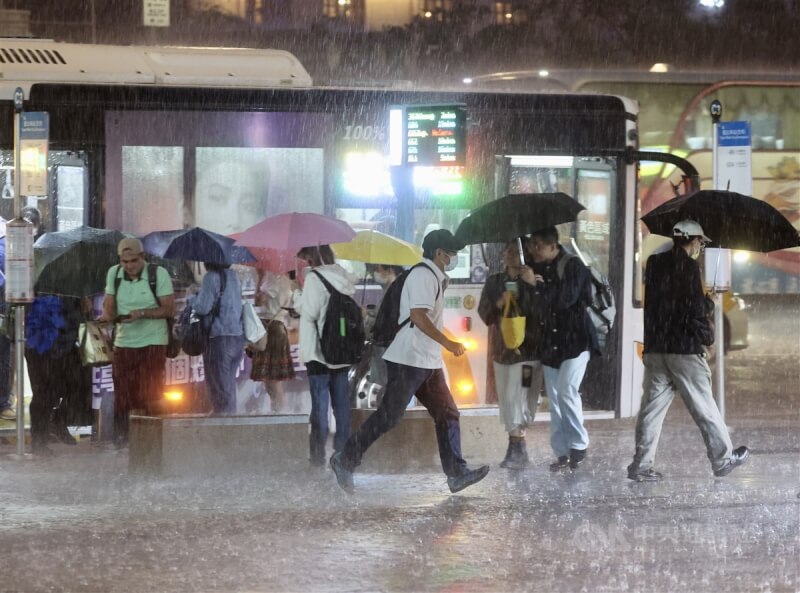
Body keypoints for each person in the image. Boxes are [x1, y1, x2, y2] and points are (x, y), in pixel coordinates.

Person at [330, 229, 490, 494]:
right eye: (451, 253)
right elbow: (418, 316)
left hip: (427, 361)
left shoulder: (433, 276)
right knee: (389, 416)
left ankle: (457, 473)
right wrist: (449, 343)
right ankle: (345, 460)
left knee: (447, 412)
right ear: (439, 253)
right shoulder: (423, 276)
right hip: (409, 359)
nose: (453, 257)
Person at [627, 220, 749, 481]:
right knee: (704, 407)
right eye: (701, 242)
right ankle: (723, 459)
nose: (701, 247)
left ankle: (641, 465)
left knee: (651, 410)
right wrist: (708, 312)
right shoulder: (690, 269)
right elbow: (691, 312)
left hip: (657, 348)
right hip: (684, 351)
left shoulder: (655, 265)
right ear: (692, 240)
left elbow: (665, 307)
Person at [527, 226, 599, 471]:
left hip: (576, 341)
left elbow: (564, 300)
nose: (532, 250)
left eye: (537, 245)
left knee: (568, 389)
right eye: (531, 245)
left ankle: (579, 443)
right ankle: (561, 452)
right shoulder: (535, 268)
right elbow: (535, 308)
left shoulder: (573, 266)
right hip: (551, 344)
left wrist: (538, 287)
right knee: (555, 400)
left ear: (552, 245)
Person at [102, 238, 175, 448]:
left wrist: (142, 314)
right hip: (124, 342)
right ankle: (122, 441)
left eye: (133, 261)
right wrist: (105, 317)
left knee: (150, 393)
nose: (129, 266)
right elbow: (109, 308)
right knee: (123, 394)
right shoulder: (114, 274)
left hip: (153, 342)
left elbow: (169, 309)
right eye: (124, 262)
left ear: (142, 257)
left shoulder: (157, 274)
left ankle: (154, 441)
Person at [478, 240, 543, 469]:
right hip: (503, 353)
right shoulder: (495, 282)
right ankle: (517, 447)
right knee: (507, 400)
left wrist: (533, 286)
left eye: (518, 252)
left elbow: (545, 312)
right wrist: (499, 302)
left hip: (528, 355)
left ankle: (517, 445)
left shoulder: (536, 280)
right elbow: (484, 315)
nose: (512, 255)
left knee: (522, 396)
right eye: (509, 251)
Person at [292, 244, 357, 467]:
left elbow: (309, 311)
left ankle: (317, 457)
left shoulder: (313, 278)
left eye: (306, 258)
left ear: (312, 258)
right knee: (341, 406)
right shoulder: (343, 277)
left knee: (320, 408)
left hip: (318, 353)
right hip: (341, 350)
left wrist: (296, 295)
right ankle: (343, 455)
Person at [25, 295, 83, 456]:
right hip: (38, 341)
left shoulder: (73, 287)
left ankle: (59, 420)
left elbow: (75, 316)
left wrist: (84, 306)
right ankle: (39, 441)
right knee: (43, 394)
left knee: (79, 385)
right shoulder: (37, 280)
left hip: (67, 343)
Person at [191, 262, 244, 415]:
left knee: (219, 387)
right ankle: (229, 421)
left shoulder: (211, 277)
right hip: (237, 337)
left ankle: (224, 427)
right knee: (228, 385)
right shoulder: (234, 276)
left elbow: (202, 307)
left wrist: (191, 298)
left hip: (218, 338)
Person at [249, 270, 297, 414]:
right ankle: (277, 413)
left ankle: (278, 415)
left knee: (272, 381)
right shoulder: (287, 280)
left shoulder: (273, 278)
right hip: (278, 328)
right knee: (274, 379)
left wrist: (259, 280)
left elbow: (259, 301)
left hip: (270, 329)